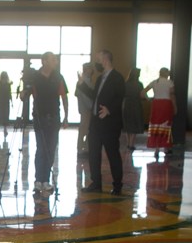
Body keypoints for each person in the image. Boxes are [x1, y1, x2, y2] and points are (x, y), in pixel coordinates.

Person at [78, 50, 124, 195]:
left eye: (98, 58)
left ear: (105, 59)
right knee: (93, 154)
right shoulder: (99, 78)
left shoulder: (117, 78)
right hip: (96, 122)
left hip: (110, 124)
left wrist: (109, 109)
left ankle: (117, 186)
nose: (96, 62)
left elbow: (120, 97)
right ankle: (96, 183)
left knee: (112, 154)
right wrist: (82, 85)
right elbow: (94, 96)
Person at [25, 52, 68, 192]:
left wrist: (66, 116)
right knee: (41, 149)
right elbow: (26, 94)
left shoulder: (58, 77)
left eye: (55, 59)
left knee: (51, 148)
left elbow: (64, 96)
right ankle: (38, 179)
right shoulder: (35, 77)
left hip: (54, 117)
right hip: (40, 117)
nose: (55, 61)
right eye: (52, 59)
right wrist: (22, 93)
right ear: (44, 61)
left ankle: (46, 180)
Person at [142, 67, 176, 159]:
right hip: (166, 104)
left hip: (156, 104)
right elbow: (172, 95)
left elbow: (142, 92)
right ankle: (165, 148)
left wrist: (149, 100)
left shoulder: (154, 82)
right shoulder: (169, 82)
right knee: (166, 125)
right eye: (168, 72)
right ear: (166, 73)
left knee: (155, 126)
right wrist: (175, 107)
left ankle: (156, 149)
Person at [122, 68, 145, 151]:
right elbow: (142, 95)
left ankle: (128, 143)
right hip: (136, 104)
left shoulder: (125, 83)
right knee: (135, 123)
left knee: (127, 123)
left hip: (127, 104)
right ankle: (132, 144)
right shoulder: (139, 84)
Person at [75, 62, 94, 155]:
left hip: (85, 107)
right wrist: (91, 106)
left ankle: (84, 148)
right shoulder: (84, 81)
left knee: (85, 128)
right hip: (86, 108)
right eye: (90, 69)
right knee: (84, 128)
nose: (91, 71)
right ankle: (82, 149)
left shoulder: (86, 80)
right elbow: (84, 96)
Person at [0, 71, 12, 136]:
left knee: (1, 114)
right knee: (4, 114)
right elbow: (9, 93)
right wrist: (11, 101)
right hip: (4, 101)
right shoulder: (7, 84)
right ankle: (4, 128)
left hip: (1, 101)